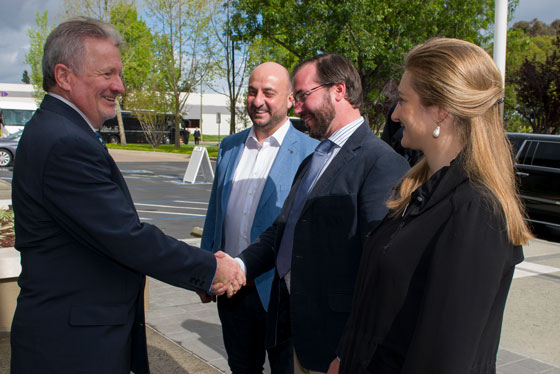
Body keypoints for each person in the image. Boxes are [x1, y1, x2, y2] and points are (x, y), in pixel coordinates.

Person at [10, 17, 244, 374]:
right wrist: (210, 269)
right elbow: (126, 237)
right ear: (64, 76)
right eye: (107, 74)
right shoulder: (65, 143)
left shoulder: (58, 130)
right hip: (73, 350)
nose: (119, 87)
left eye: (119, 75)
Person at [339, 38, 532, 374]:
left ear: (441, 109)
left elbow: (443, 357)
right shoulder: (420, 190)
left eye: (403, 101)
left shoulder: (475, 211)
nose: (395, 114)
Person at [237, 54, 409, 373]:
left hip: (334, 350)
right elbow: (284, 230)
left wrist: (348, 352)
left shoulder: (381, 163)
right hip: (294, 335)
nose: (297, 108)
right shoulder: (314, 158)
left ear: (338, 90)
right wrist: (238, 265)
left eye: (303, 96)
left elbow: (381, 272)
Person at [201, 62, 318, 374]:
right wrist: (203, 269)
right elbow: (214, 213)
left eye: (268, 93)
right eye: (252, 92)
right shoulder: (229, 147)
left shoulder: (312, 152)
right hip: (233, 291)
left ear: (291, 99)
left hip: (283, 297)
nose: (257, 100)